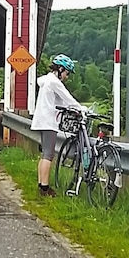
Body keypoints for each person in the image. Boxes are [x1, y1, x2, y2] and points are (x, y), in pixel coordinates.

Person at [30, 54, 84, 197]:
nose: (67, 77)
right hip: (49, 122)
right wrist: (82, 110)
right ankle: (45, 188)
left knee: (44, 154)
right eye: (66, 73)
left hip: (41, 121)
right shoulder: (54, 82)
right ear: (60, 69)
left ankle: (41, 185)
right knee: (49, 155)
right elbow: (69, 100)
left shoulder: (46, 81)